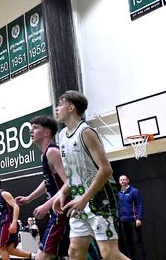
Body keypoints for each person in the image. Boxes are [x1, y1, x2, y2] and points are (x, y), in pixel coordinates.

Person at [52, 91, 128, 260]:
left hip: (100, 198)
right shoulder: (62, 135)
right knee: (74, 251)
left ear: (71, 107)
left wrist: (84, 199)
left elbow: (106, 169)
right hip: (79, 200)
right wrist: (62, 193)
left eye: (60, 104)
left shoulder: (86, 132)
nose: (56, 108)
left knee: (109, 253)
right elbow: (73, 174)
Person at [16, 115, 69, 260]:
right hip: (57, 210)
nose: (31, 132)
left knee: (43, 256)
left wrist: (46, 206)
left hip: (62, 211)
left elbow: (69, 183)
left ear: (46, 132)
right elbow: (47, 181)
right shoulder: (44, 155)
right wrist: (29, 198)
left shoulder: (53, 152)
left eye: (35, 128)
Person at [0, 178, 33, 260]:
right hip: (4, 223)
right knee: (10, 249)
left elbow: (16, 206)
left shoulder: (4, 194)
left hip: (9, 222)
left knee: (0, 247)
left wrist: (14, 222)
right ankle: (35, 256)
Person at [117, 175, 145, 259]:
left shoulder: (134, 191)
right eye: (121, 180)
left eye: (124, 179)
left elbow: (140, 205)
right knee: (128, 243)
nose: (122, 181)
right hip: (123, 221)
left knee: (138, 242)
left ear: (128, 180)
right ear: (119, 182)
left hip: (134, 220)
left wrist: (139, 218)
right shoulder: (119, 193)